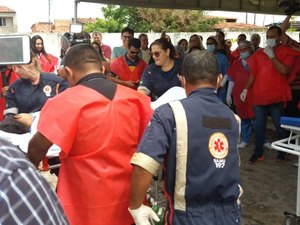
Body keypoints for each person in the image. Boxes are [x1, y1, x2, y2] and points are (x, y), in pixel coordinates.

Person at [27, 43, 153, 225]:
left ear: (69, 73)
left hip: (83, 205)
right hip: (128, 201)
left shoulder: (64, 102)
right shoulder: (138, 100)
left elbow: (37, 149)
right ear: (102, 68)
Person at [128, 50, 242, 225]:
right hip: (230, 215)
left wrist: (136, 207)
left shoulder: (168, 113)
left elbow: (144, 165)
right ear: (219, 80)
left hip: (187, 217)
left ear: (182, 80)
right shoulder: (234, 119)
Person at [240, 26, 300, 164]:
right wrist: (246, 89)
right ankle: (258, 153)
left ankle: (283, 152)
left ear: (280, 37)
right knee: (259, 126)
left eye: (272, 36)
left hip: (276, 96)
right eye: (267, 36)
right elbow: (253, 74)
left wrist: (272, 56)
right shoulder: (260, 53)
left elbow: (284, 70)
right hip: (259, 96)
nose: (269, 39)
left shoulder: (286, 52)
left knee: (279, 126)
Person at [0, 136, 69, 225]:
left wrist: (33, 162)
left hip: (77, 192)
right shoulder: (12, 171)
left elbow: (36, 148)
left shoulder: (12, 172)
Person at [226, 40, 255, 148]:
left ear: (250, 49)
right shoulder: (236, 63)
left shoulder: (255, 61)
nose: (242, 52)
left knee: (258, 118)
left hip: (254, 93)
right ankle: (245, 139)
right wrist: (228, 94)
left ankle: (263, 139)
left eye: (245, 49)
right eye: (240, 50)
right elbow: (231, 79)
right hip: (239, 94)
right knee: (244, 117)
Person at [280, 15, 300, 117]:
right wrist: (289, 15)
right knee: (291, 120)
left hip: (294, 89)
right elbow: (280, 32)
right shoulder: (295, 47)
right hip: (294, 90)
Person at [206, 36, 230, 104]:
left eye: (212, 44)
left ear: (216, 45)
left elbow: (227, 73)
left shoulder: (223, 57)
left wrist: (220, 85)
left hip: (221, 90)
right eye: (208, 44)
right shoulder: (203, 57)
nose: (209, 45)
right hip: (207, 89)